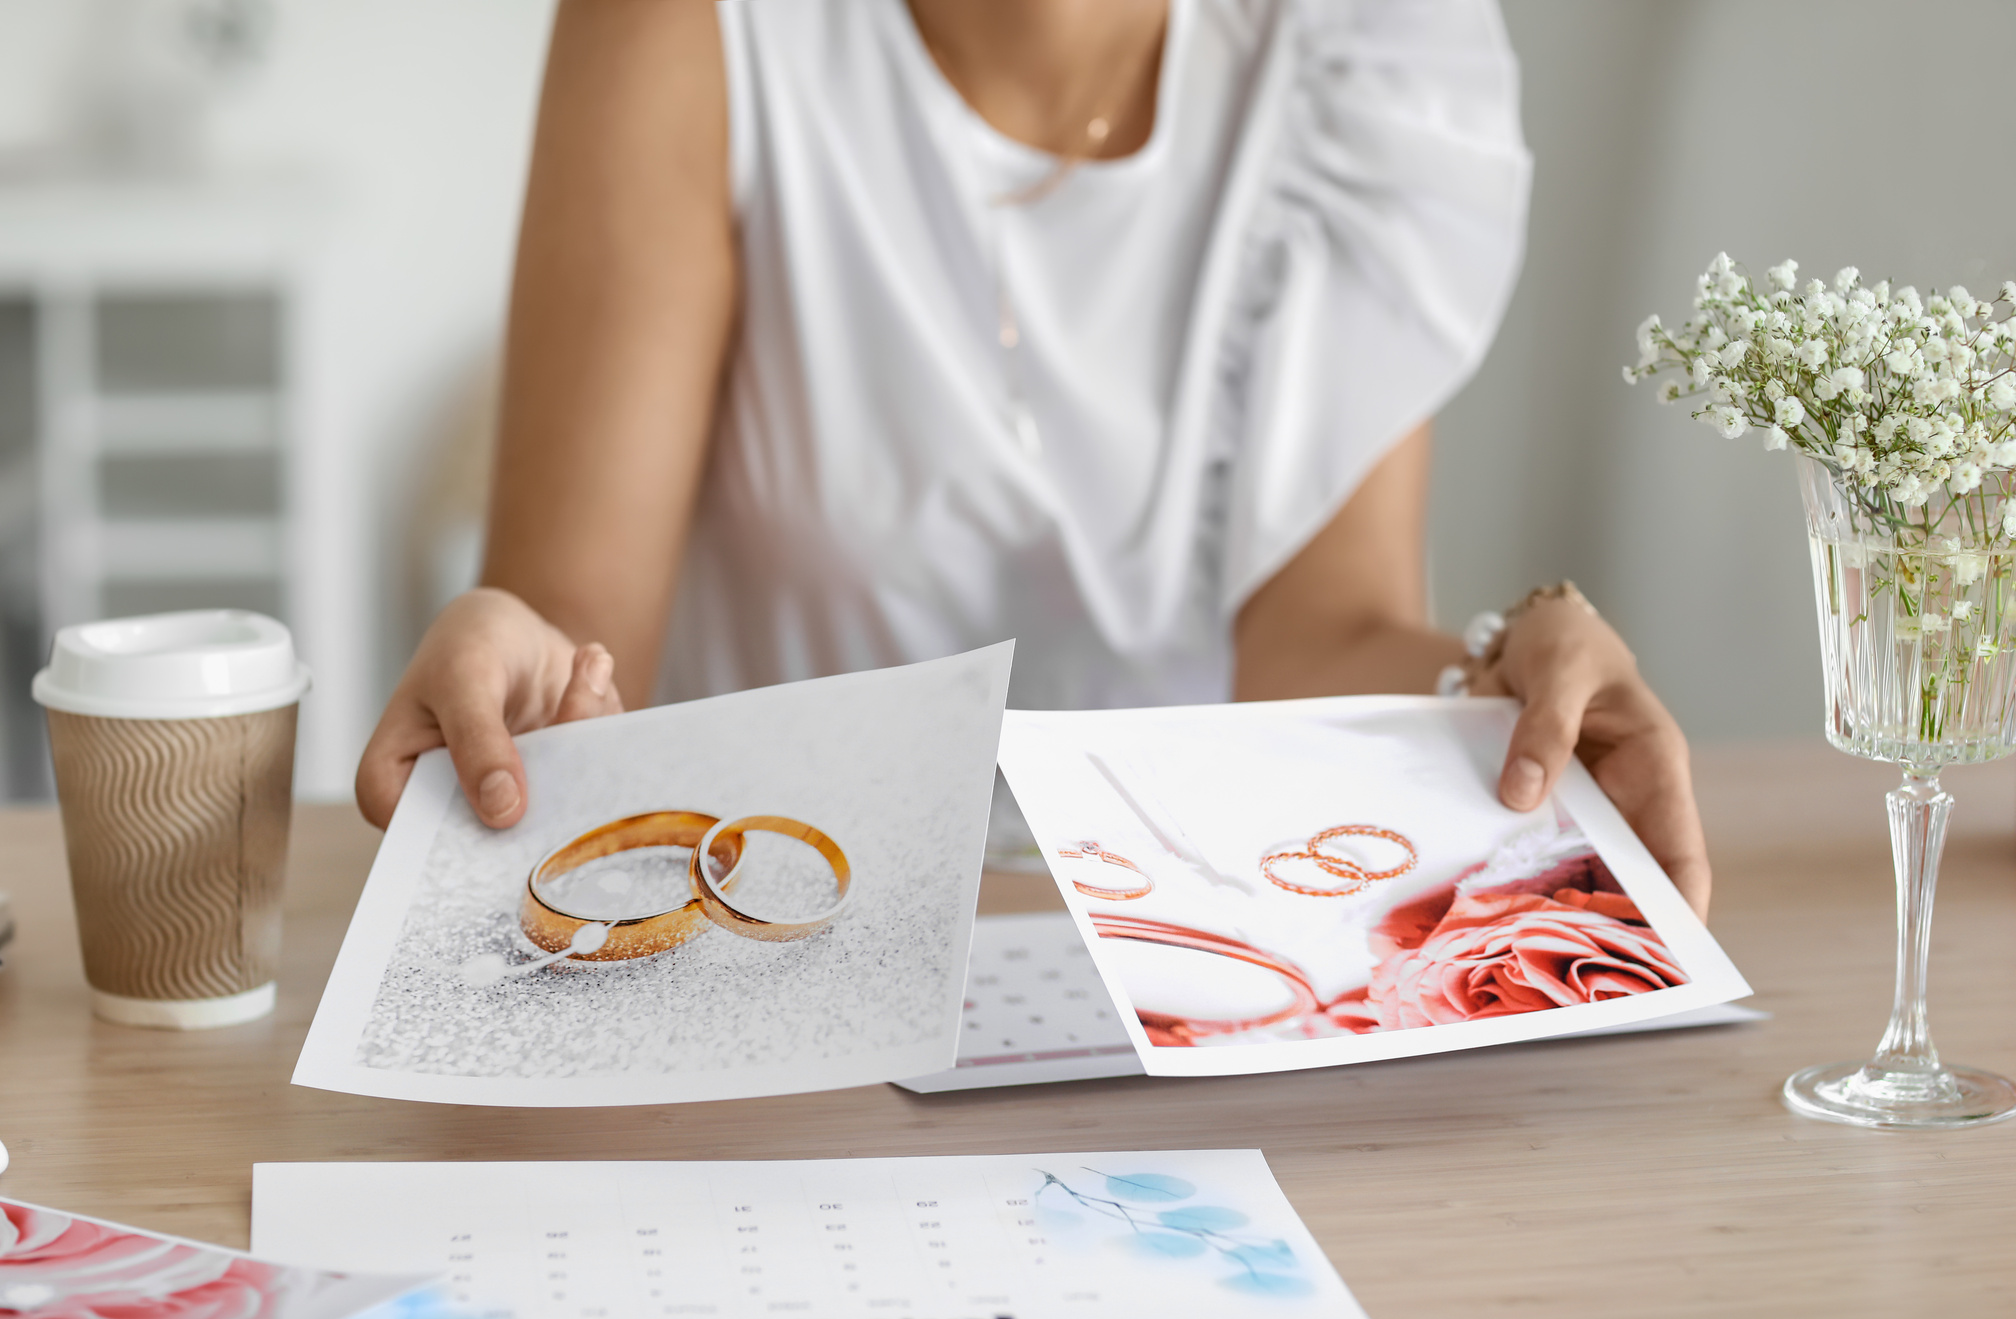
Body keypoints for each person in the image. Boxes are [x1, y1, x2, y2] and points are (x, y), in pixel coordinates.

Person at [356, 0, 1711, 916]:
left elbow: (1318, 630)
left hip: (1198, 952)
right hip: (774, 934)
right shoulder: (695, 32)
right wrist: (514, 668)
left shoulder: (1366, 55)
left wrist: (1499, 691)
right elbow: (580, 660)